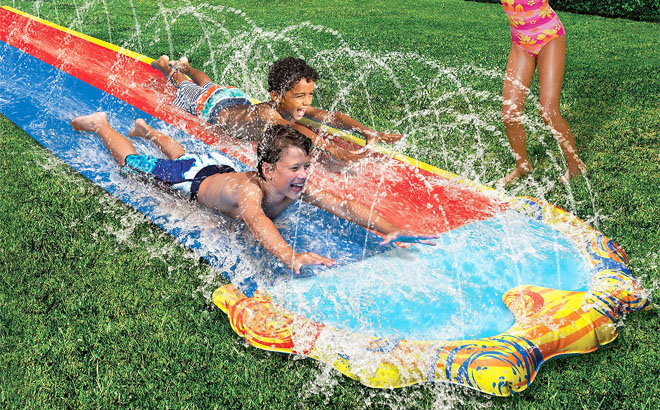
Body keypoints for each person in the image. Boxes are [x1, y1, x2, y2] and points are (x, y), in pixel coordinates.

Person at [71, 113, 434, 273]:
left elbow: (343, 204)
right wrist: (289, 255)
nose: (304, 176)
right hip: (193, 178)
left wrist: (389, 227)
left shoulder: (288, 181)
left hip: (217, 166)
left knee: (191, 156)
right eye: (296, 169)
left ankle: (151, 132)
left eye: (306, 166)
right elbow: (258, 223)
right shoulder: (249, 193)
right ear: (267, 170)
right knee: (135, 167)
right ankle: (104, 125)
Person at [150, 55, 403, 162]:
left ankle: (185, 65)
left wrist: (366, 131)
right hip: (210, 107)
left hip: (234, 98)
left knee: (210, 83)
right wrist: (336, 151)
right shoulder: (268, 113)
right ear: (277, 96)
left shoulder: (288, 105)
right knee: (189, 86)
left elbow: (329, 116)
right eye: (300, 96)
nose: (307, 102)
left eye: (310, 95)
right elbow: (298, 131)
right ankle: (167, 66)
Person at [498, 0, 586, 185]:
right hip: (521, 44)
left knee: (548, 111)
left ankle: (575, 165)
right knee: (509, 114)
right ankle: (523, 165)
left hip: (550, 37)